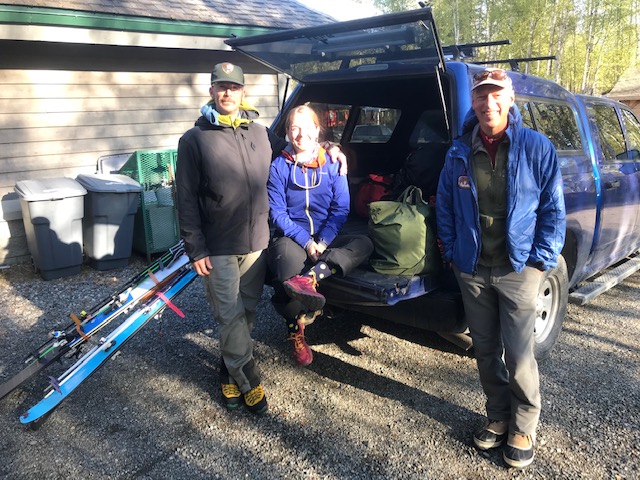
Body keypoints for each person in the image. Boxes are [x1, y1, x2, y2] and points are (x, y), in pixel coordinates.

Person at [176, 63, 347, 415]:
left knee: (247, 313)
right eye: (221, 86)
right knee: (229, 315)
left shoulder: (258, 133)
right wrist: (195, 247)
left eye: (234, 87)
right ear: (211, 91)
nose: (227, 93)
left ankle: (227, 371)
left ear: (243, 92)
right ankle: (249, 379)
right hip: (218, 246)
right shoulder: (194, 140)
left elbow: (298, 144)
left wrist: (330, 146)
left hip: (255, 242)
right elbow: (185, 198)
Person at [436, 68, 566, 469]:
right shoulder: (458, 150)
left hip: (518, 268)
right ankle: (497, 415)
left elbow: (553, 210)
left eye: (496, 96)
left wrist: (539, 262)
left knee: (519, 353)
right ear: (473, 103)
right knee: (486, 349)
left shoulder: (536, 147)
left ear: (511, 100)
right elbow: (444, 204)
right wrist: (456, 252)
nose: (488, 103)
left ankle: (524, 424)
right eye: (481, 97)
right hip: (473, 268)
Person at [267, 105, 373, 366]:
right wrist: (306, 241)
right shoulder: (279, 165)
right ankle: (295, 329)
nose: (300, 135)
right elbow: (277, 213)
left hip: (327, 234)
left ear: (317, 129)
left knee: (364, 242)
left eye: (306, 128)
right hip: (293, 235)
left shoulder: (333, 163)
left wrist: (323, 241)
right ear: (288, 132)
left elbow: (341, 209)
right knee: (283, 265)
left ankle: (313, 278)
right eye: (294, 128)